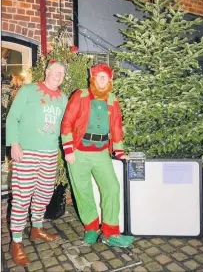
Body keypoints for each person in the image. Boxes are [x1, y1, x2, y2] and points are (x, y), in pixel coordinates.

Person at [61, 64, 134, 247]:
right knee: (82, 191)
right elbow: (67, 122)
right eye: (99, 77)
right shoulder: (81, 95)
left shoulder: (112, 99)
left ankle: (110, 232)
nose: (103, 80)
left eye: (106, 77)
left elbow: (116, 126)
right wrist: (68, 149)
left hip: (101, 152)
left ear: (110, 80)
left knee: (112, 187)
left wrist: (119, 151)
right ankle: (91, 228)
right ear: (92, 77)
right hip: (78, 152)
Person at [6, 60, 68, 266]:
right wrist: (14, 143)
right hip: (26, 152)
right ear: (46, 71)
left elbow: (68, 125)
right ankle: (16, 241)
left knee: (44, 193)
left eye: (62, 73)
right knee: (22, 197)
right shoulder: (28, 90)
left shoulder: (63, 98)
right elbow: (13, 116)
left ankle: (37, 228)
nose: (58, 76)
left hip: (50, 154)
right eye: (55, 72)